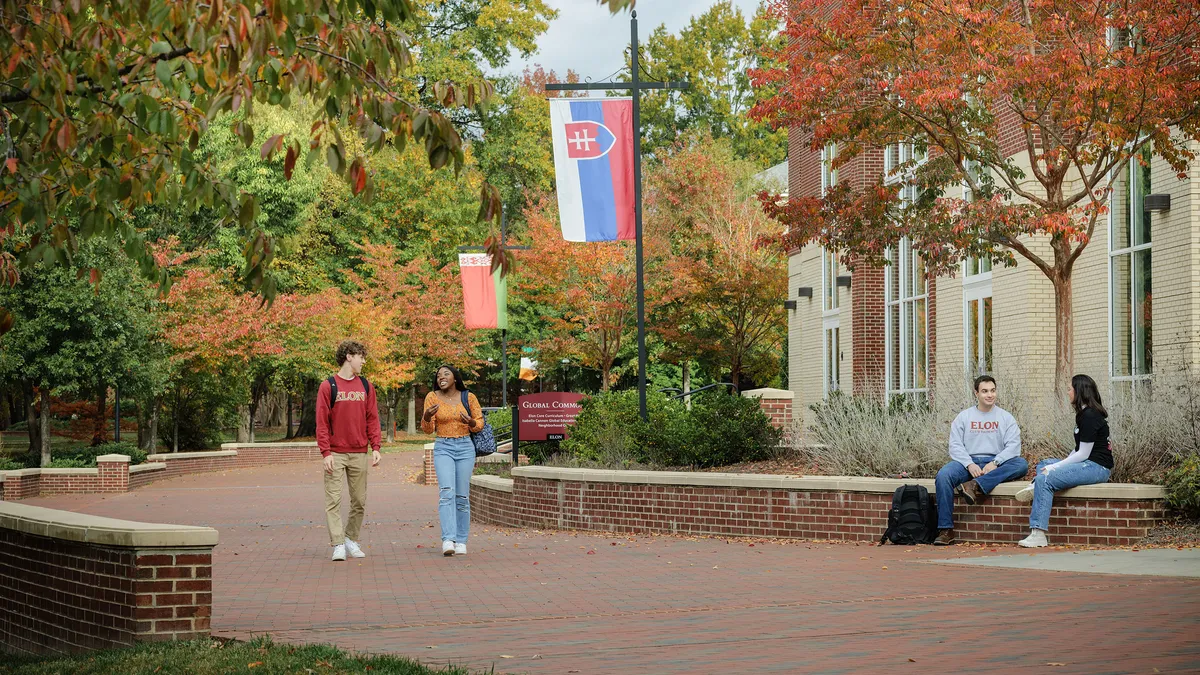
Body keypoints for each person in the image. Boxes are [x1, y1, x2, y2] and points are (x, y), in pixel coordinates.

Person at [1015, 374, 1113, 548]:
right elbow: (1077, 450)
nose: (1068, 393)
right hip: (1087, 464)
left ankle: (1038, 534)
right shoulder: (1084, 414)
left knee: (1045, 477)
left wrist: (1056, 467)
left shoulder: (1090, 415)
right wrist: (1054, 465)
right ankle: (1035, 485)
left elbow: (1083, 453)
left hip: (1097, 468)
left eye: (1069, 389)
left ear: (1079, 391)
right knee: (1044, 464)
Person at [932, 375, 1029, 546]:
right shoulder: (964, 417)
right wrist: (969, 464)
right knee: (943, 476)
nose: (989, 395)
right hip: (968, 461)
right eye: (984, 391)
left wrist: (996, 462)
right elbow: (955, 446)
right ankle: (946, 530)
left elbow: (1014, 447)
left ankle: (975, 485)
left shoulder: (1006, 418)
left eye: (992, 390)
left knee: (1021, 464)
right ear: (976, 393)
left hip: (995, 462)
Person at [316, 340, 382, 562]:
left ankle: (351, 539)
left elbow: (372, 418)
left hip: (359, 452)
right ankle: (338, 544)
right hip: (335, 453)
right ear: (348, 356)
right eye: (361, 356)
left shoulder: (365, 386)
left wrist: (376, 447)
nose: (363, 361)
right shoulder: (328, 386)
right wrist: (326, 453)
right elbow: (322, 423)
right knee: (333, 501)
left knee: (359, 501)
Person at [421, 365, 484, 556]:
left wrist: (471, 422)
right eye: (438, 375)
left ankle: (461, 541)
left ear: (455, 378)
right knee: (447, 492)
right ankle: (448, 539)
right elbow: (427, 429)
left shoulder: (468, 397)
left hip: (465, 447)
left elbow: (479, 423)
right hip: (443, 447)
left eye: (445, 374)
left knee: (462, 496)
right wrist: (426, 416)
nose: (441, 377)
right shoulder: (432, 397)